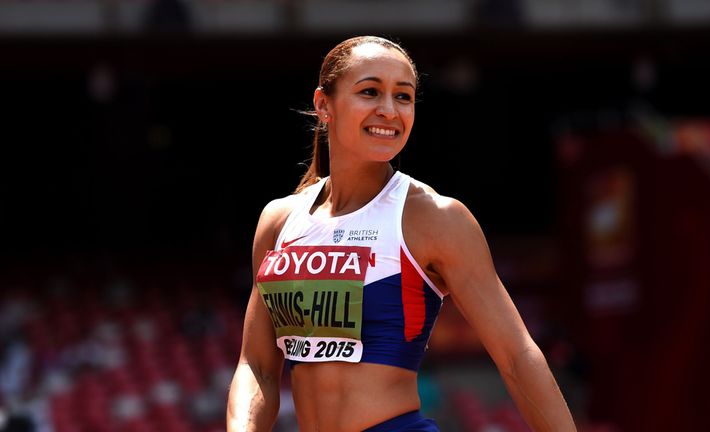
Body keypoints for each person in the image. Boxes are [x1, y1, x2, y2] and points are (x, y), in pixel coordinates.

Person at [226, 35, 576, 432]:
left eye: (404, 96)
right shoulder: (278, 222)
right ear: (324, 105)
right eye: (370, 92)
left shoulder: (436, 218)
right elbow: (257, 367)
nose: (389, 111)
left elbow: (516, 355)